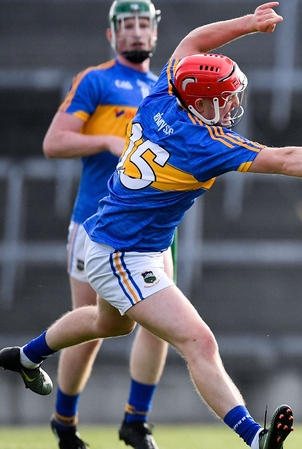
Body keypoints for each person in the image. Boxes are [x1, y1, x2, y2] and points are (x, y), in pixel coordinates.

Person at [0, 2, 302, 448]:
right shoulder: (204, 144)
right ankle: (255, 437)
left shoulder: (163, 94)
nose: (233, 106)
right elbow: (285, 159)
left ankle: (26, 357)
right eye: (226, 99)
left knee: (109, 324)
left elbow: (192, 43)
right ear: (202, 100)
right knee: (198, 341)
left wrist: (247, 23)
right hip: (123, 253)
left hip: (109, 237)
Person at [40, 1, 170, 448]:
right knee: (94, 327)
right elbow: (54, 143)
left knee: (161, 327)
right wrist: (107, 141)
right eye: (126, 25)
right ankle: (65, 423)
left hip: (150, 231)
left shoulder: (163, 89)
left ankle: (136, 421)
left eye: (142, 24)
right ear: (112, 34)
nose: (135, 33)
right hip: (95, 224)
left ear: (155, 32)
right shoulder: (95, 80)